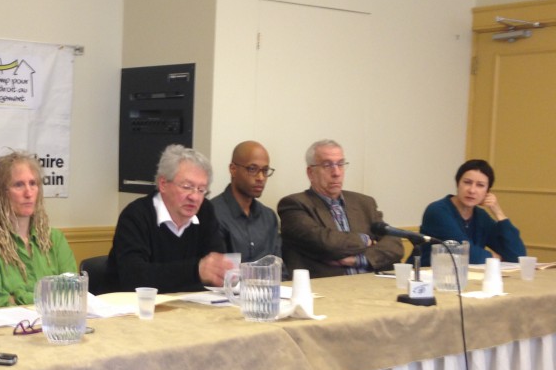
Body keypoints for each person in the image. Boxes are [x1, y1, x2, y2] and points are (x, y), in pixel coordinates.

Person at [108, 144, 231, 292]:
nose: (195, 197)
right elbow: (133, 277)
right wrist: (195, 270)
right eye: (187, 187)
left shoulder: (205, 212)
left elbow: (216, 265)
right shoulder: (136, 215)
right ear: (163, 184)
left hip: (190, 303)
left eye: (201, 190)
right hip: (135, 304)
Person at [278, 139, 402, 278]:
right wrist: (365, 240)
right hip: (327, 287)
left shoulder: (365, 203)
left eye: (340, 164)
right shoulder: (294, 205)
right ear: (311, 173)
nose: (336, 173)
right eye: (327, 165)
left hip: (370, 284)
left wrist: (360, 259)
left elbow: (395, 243)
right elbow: (326, 243)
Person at [0, 151, 77, 307]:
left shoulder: (55, 238)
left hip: (55, 320)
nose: (28, 193)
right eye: (18, 185)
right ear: (0, 193)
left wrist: (18, 297)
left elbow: (71, 292)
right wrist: (49, 297)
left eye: (33, 184)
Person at [415, 159, 525, 266]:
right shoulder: (437, 211)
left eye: (480, 185)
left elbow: (517, 256)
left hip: (464, 276)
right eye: (467, 182)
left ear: (487, 191)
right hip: (425, 274)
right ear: (458, 184)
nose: (472, 190)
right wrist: (498, 258)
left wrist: (499, 213)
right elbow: (463, 253)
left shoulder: (481, 216)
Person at [210, 140, 281, 263]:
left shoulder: (269, 217)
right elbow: (217, 269)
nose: (261, 178)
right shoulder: (212, 213)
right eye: (252, 169)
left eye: (265, 170)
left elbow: (278, 266)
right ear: (233, 169)